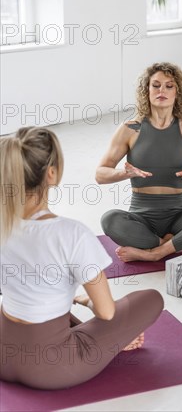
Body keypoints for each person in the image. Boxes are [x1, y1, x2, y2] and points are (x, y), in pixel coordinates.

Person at [0, 127, 164, 390]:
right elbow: (106, 312)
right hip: (50, 369)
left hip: (4, 356)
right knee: (150, 299)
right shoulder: (72, 233)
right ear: (51, 174)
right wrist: (87, 302)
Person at [97, 62, 182, 262]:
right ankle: (180, 243)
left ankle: (155, 252)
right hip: (141, 220)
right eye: (156, 85)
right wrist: (125, 173)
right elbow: (100, 174)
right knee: (109, 220)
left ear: (178, 92)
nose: (162, 90)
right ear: (147, 90)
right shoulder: (130, 128)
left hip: (179, 218)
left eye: (169, 86)